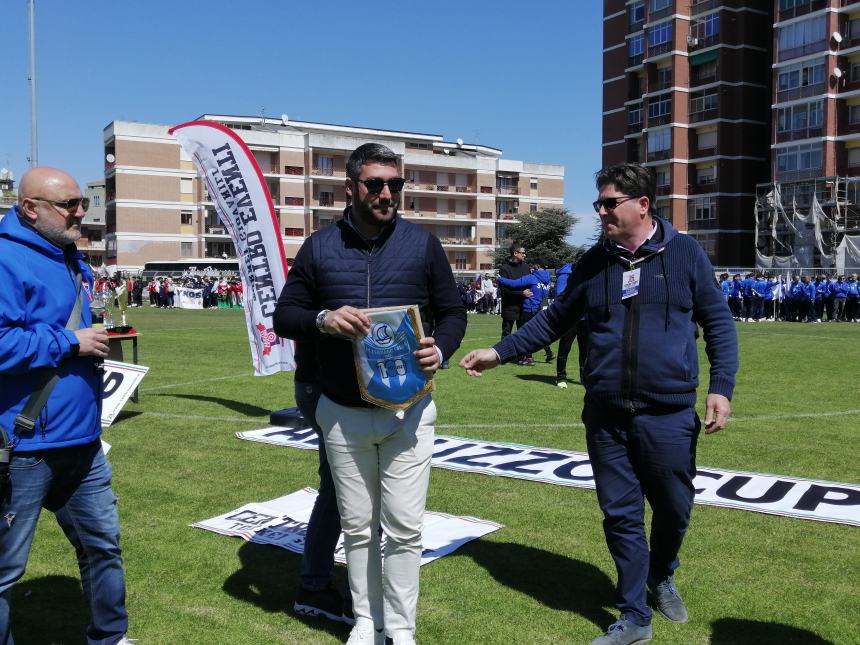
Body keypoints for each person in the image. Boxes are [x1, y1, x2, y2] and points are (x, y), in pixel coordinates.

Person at [459, 163, 738, 645]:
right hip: (606, 414)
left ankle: (662, 573)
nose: (602, 212)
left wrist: (721, 386)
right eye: (600, 204)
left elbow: (718, 323)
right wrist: (499, 352)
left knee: (674, 508)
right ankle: (634, 615)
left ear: (642, 205)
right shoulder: (593, 263)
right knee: (621, 514)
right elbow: (555, 320)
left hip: (668, 413)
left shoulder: (685, 253)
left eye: (610, 203)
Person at [274, 143, 466, 645]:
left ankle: (401, 629)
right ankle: (365, 621)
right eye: (376, 184)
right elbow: (285, 314)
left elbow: (453, 313)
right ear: (351, 188)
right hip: (341, 411)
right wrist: (323, 319)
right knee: (358, 528)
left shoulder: (423, 245)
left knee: (404, 528)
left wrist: (440, 349)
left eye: (395, 185)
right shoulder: (318, 247)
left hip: (410, 410)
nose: (387, 193)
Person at [0, 167, 132, 645]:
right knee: (5, 570)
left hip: (84, 442)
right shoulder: (4, 258)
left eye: (82, 202)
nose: (81, 212)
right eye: (69, 204)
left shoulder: (72, 256)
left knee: (103, 549)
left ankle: (110, 637)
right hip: (24, 445)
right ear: (30, 208)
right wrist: (68, 342)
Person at [495, 260, 554, 365]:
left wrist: (500, 279)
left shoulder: (532, 278)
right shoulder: (548, 279)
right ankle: (549, 352)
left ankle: (527, 358)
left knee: (525, 334)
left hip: (528, 309)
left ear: (536, 265)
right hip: (540, 310)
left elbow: (513, 283)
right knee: (538, 332)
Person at [498, 243, 532, 364]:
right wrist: (521, 293)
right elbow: (504, 289)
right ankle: (503, 356)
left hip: (524, 306)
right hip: (510, 306)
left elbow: (530, 284)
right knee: (507, 332)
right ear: (515, 253)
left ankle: (524, 356)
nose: (524, 255)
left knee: (523, 332)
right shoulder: (504, 268)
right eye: (522, 253)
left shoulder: (526, 267)